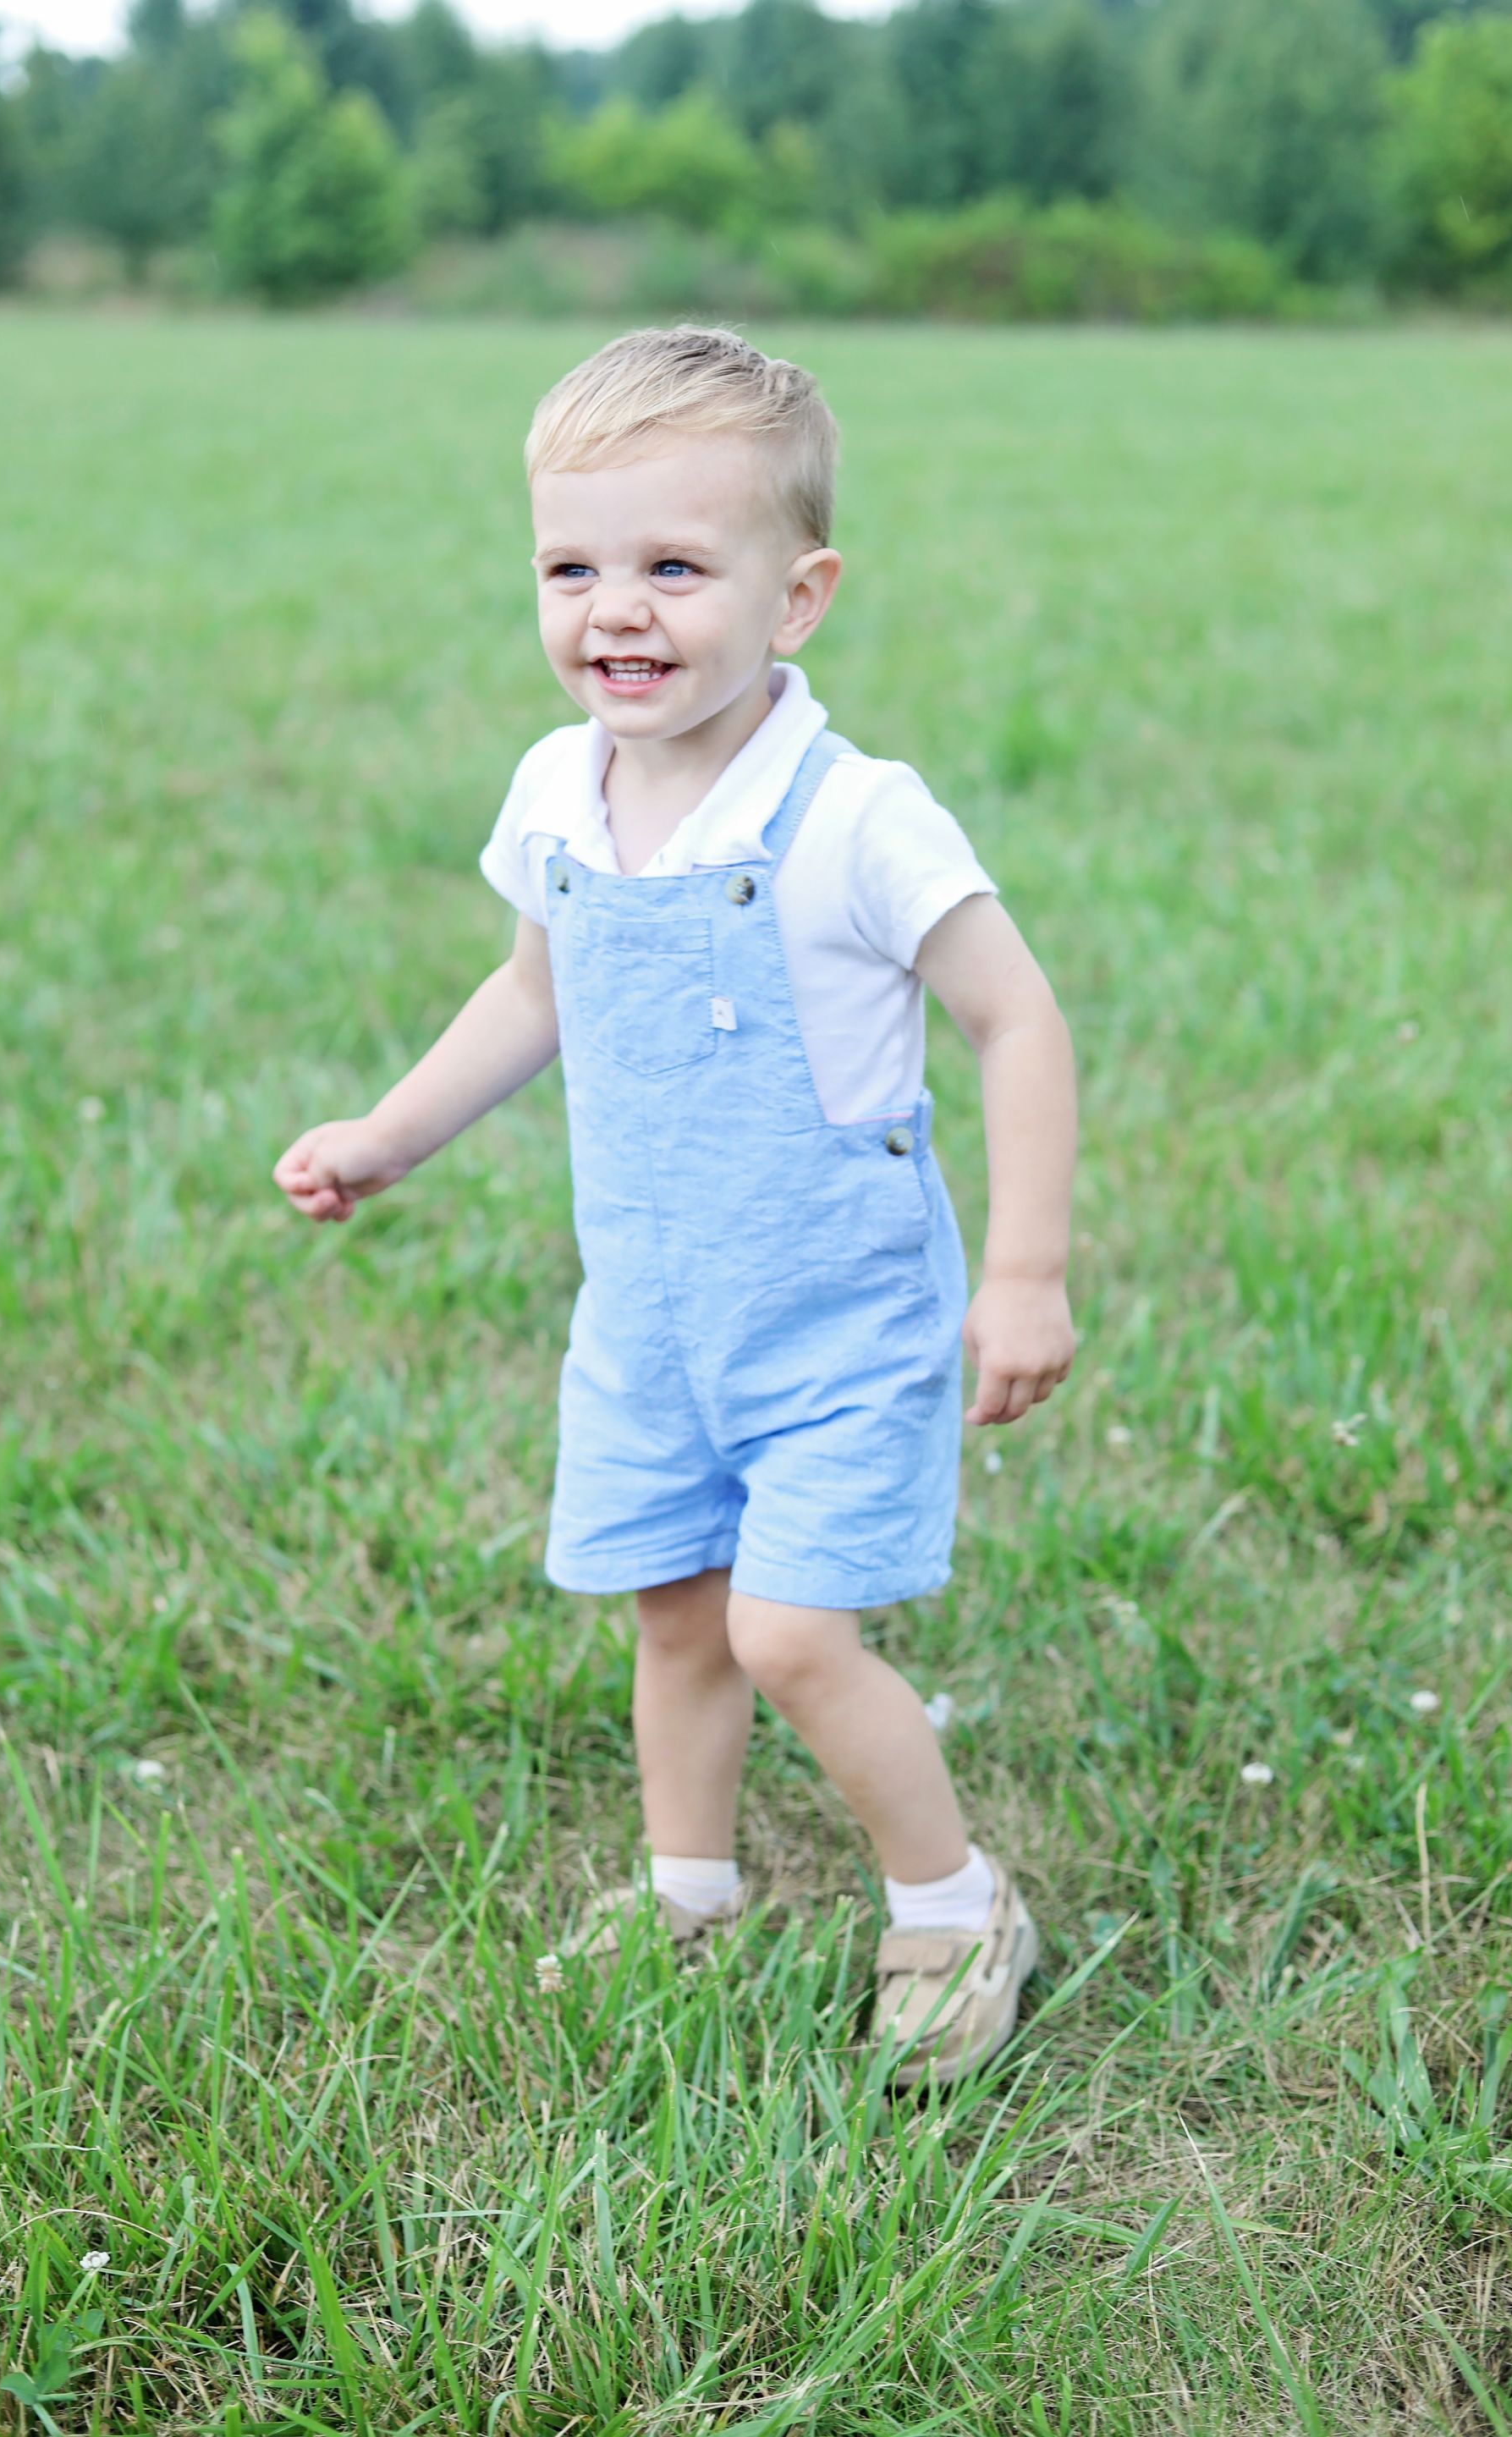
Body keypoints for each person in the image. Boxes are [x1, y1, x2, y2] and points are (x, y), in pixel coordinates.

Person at [272, 327, 1077, 2086]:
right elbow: (532, 996)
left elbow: (1017, 1020)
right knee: (674, 1609)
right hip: (650, 1311)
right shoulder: (561, 789)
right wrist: (391, 1133)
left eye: (675, 568)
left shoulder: (856, 818)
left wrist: (1022, 1271)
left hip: (837, 1311)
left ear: (799, 598)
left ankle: (951, 1904)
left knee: (793, 1632)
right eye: (573, 565)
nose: (614, 610)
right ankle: (689, 1892)